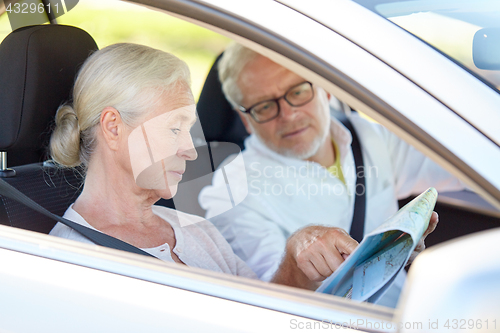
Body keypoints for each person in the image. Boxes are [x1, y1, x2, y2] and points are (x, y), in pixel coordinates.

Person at [48, 43, 360, 290]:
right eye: (174, 129)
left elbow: (263, 314)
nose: (190, 151)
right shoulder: (75, 262)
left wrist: (295, 258)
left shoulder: (196, 230)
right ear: (114, 128)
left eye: (189, 130)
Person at [198, 43, 458, 306]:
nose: (288, 115)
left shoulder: (370, 137)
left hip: (405, 313)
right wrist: (295, 260)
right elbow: (267, 305)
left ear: (326, 89)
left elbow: (465, 160)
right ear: (246, 121)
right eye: (264, 107)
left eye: (298, 91)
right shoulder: (232, 191)